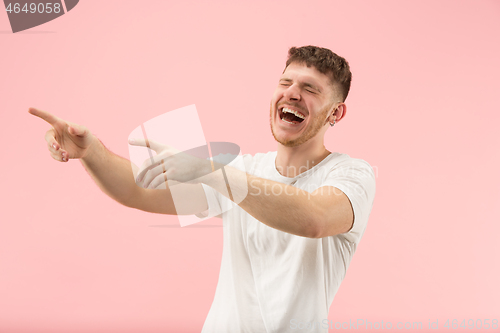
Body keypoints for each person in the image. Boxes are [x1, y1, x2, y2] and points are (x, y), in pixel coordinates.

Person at [30, 45, 376, 333]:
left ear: (336, 113)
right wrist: (91, 152)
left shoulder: (351, 174)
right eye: (285, 82)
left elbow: (313, 219)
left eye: (310, 88)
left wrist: (214, 172)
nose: (292, 93)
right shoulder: (243, 170)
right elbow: (138, 192)